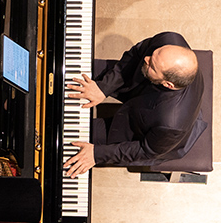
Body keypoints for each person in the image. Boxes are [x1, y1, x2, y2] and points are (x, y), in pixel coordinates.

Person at [63, 31, 206, 177]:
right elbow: (137, 54)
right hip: (138, 81)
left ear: (168, 84)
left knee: (69, 138)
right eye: (153, 54)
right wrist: (103, 88)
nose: (147, 58)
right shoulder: (170, 40)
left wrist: (96, 154)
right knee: (73, 70)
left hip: (141, 129)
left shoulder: (171, 124)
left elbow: (145, 151)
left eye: (152, 65)